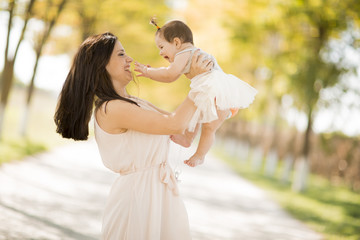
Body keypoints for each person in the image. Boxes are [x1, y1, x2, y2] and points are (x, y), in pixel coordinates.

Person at [54, 32, 212, 240]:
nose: (129, 59)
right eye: (121, 54)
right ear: (101, 65)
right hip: (138, 199)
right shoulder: (111, 108)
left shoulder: (136, 103)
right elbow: (174, 123)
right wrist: (198, 85)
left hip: (161, 195)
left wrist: (214, 99)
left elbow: (184, 132)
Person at [134, 19, 258, 167]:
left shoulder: (185, 53)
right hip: (212, 94)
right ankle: (187, 137)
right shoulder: (186, 54)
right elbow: (168, 71)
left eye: (161, 47)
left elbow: (170, 75)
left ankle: (200, 155)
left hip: (219, 94)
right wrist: (153, 71)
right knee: (197, 115)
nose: (160, 53)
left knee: (208, 127)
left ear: (176, 43)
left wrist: (148, 72)